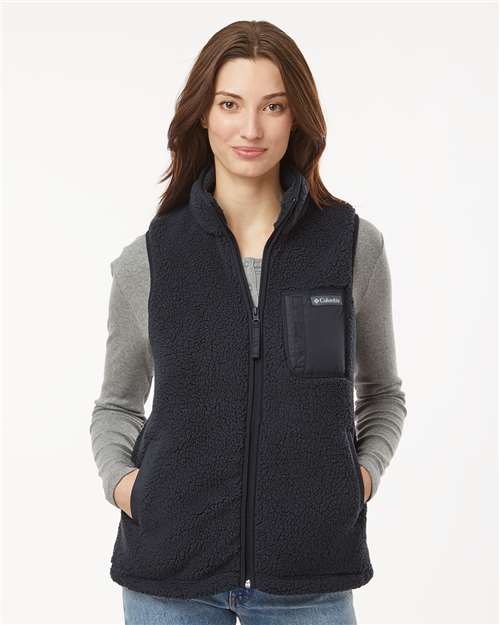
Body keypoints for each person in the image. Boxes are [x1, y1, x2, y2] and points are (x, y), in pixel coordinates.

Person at [90, 19, 407, 625]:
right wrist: (127, 488)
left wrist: (359, 480)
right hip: (169, 576)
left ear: (298, 119)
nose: (252, 129)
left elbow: (382, 393)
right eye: (230, 104)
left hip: (310, 576)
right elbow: (117, 405)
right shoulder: (149, 260)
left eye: (274, 106)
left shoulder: (350, 247)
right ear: (203, 116)